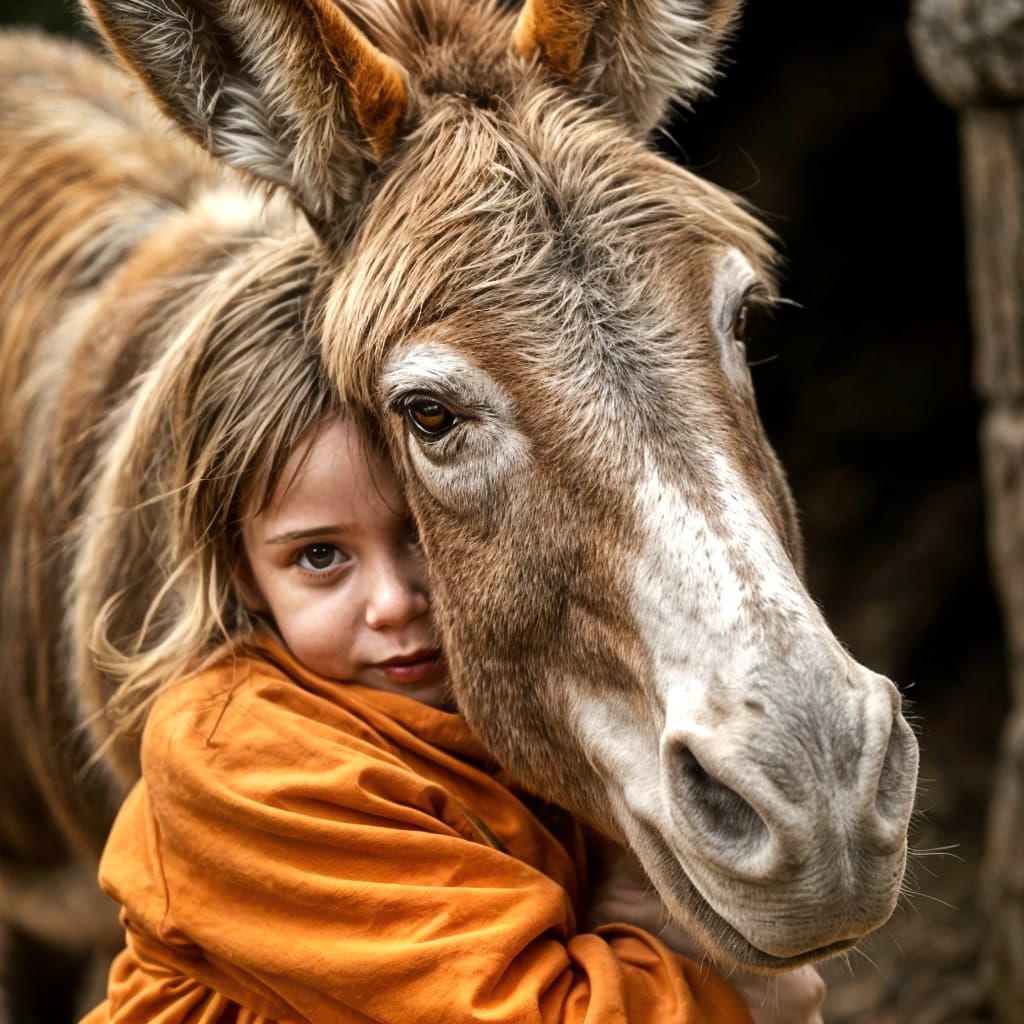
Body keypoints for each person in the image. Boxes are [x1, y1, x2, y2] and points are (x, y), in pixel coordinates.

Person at [79, 290, 824, 1022]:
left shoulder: (509, 698)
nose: (393, 603)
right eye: (318, 557)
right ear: (244, 573)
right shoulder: (244, 762)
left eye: (420, 537)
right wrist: (732, 1000)